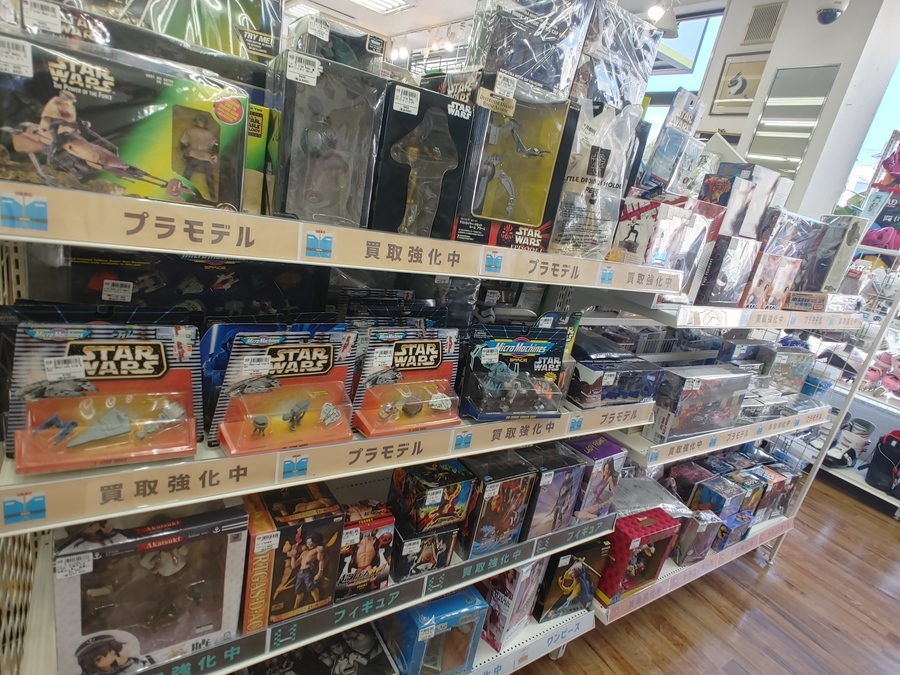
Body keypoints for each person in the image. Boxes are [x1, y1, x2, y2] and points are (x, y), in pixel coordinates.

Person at [179, 114, 219, 200]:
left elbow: (214, 145)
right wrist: (185, 152)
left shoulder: (209, 134)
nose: (201, 122)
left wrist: (215, 154)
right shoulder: (190, 131)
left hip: (206, 156)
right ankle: (181, 189)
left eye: (202, 121)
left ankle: (213, 196)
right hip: (193, 154)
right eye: (199, 120)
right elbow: (182, 143)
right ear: (196, 121)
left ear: (205, 123)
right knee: (188, 172)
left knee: (209, 176)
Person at [75, 635, 150, 675]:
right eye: (98, 659)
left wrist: (127, 662)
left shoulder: (125, 663)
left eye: (112, 651)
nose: (112, 654)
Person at [292, 531, 325, 609]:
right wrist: (292, 556)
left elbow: (321, 560)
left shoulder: (318, 549)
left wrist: (320, 572)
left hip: (308, 571)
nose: (309, 544)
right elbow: (294, 566)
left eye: (311, 542)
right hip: (300, 572)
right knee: (298, 591)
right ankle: (295, 607)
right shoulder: (304, 553)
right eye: (308, 543)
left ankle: (317, 601)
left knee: (311, 587)